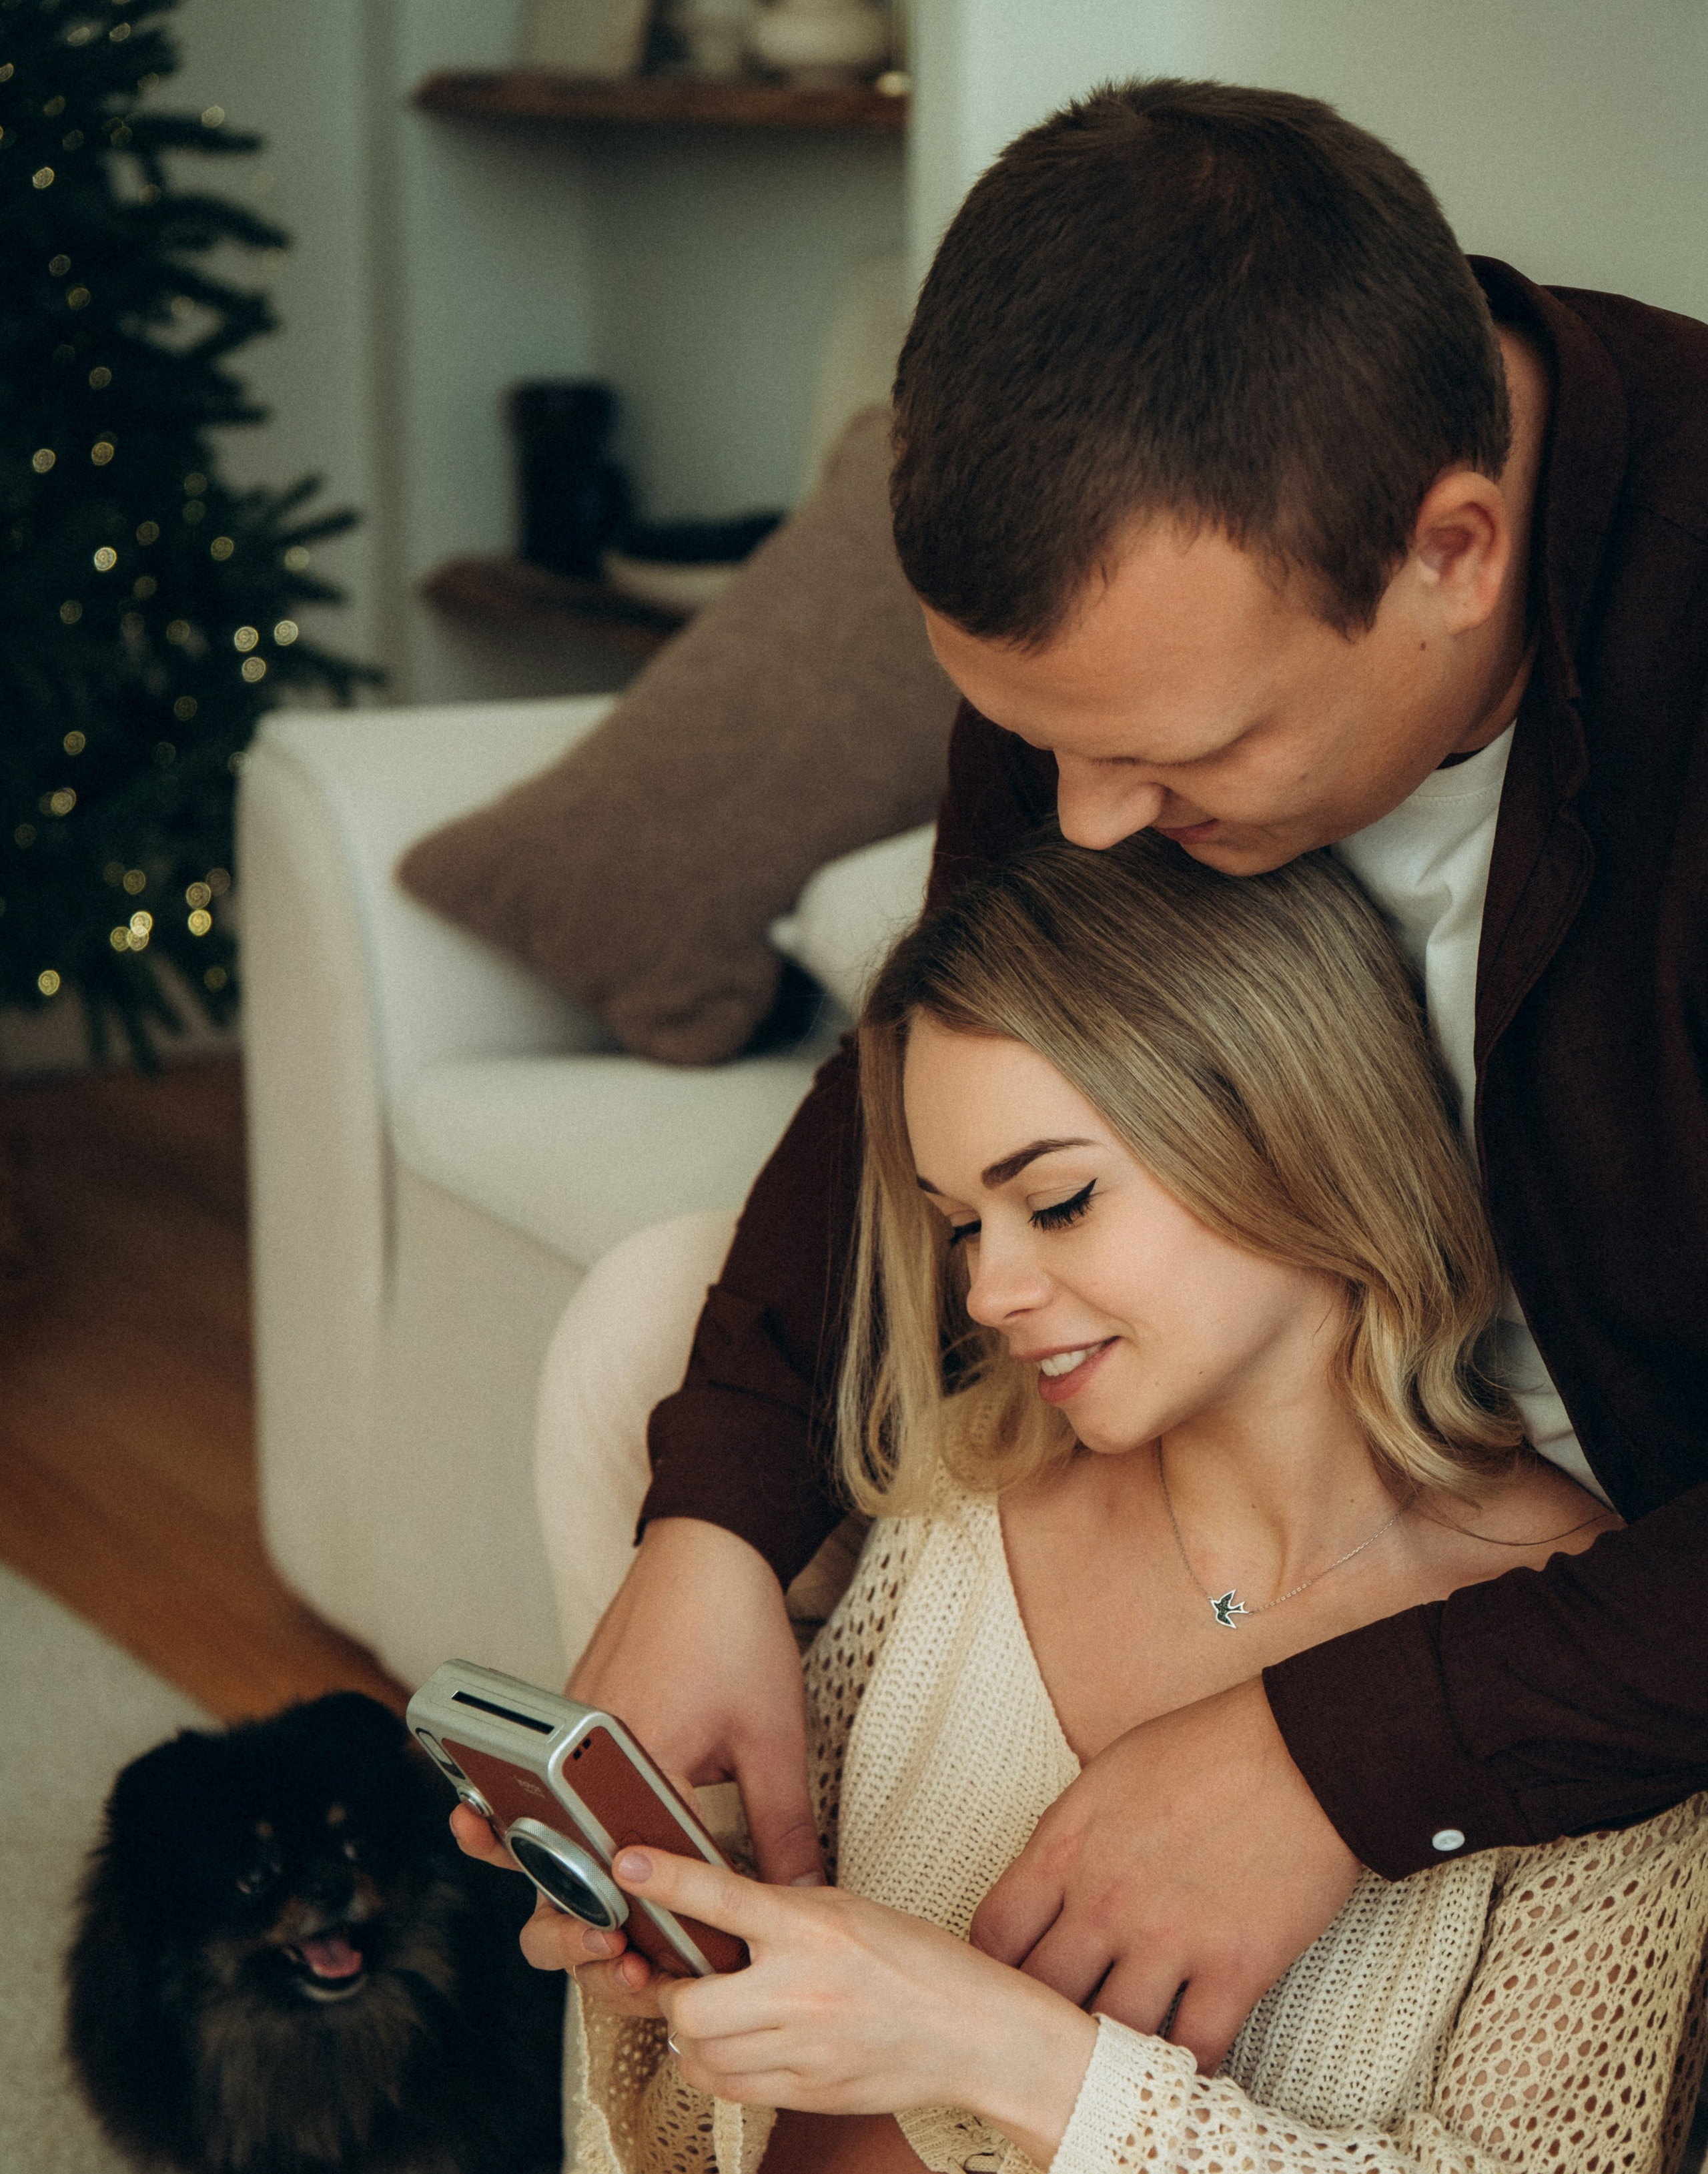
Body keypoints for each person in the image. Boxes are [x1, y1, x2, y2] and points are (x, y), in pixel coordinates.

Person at [320, 837, 1708, 2174]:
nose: (989, 1291)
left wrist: (999, 2049)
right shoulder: (956, 1497)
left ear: (1295, 1133)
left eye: (1055, 1203)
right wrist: (687, 1962)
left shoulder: (1591, 1675)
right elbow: (715, 2134)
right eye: (958, 1223)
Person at [560, 78, 1708, 2066]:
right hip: (1308, 1393)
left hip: (1646, 1503)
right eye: (1033, 743)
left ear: (1455, 550)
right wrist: (715, 1529)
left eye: (1178, 758)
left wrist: (1331, 1760)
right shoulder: (1122, 668)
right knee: (649, 1351)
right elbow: (962, 1051)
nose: (1080, 826)